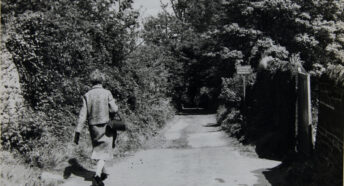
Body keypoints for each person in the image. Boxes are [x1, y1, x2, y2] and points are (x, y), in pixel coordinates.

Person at [73, 69, 118, 186]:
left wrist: (78, 131)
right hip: (106, 125)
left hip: (93, 126)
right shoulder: (107, 93)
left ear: (91, 81)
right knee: (105, 149)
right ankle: (97, 175)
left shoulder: (87, 95)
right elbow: (114, 109)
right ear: (102, 80)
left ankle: (102, 172)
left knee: (99, 149)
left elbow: (83, 115)